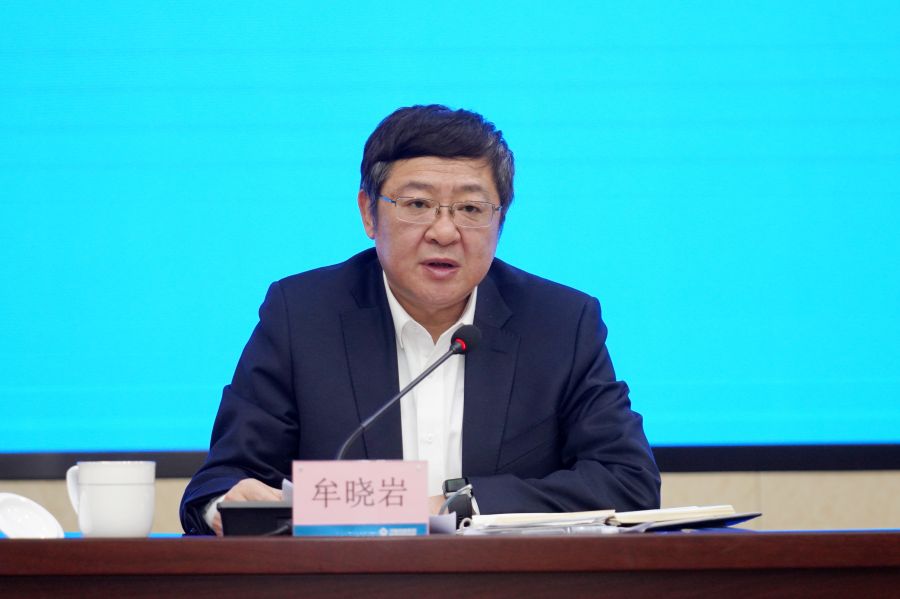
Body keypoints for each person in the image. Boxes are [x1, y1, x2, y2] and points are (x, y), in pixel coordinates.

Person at [180, 104, 660, 535]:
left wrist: (462, 504)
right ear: (369, 214)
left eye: (470, 208)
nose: (444, 231)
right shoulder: (301, 315)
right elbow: (220, 481)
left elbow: (628, 481)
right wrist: (226, 506)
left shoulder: (560, 323)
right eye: (417, 205)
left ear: (500, 221)